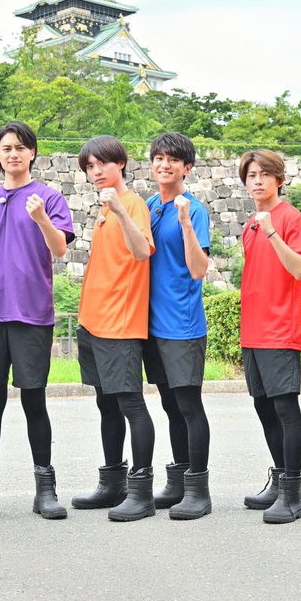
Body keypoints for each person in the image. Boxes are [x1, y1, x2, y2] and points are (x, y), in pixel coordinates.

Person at [0, 122, 74, 522]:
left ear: (32, 153)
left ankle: (45, 490)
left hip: (32, 315)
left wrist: (42, 218)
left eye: (21, 147)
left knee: (34, 401)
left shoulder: (49, 197)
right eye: (6, 147)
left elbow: (59, 249)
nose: (14, 153)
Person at [70, 135, 157, 522]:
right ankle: (112, 484)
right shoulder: (104, 208)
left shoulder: (132, 204)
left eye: (101, 163)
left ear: (120, 162)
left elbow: (141, 252)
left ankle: (141, 492)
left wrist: (121, 210)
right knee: (105, 404)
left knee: (130, 405)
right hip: (93, 321)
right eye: (89, 167)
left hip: (120, 323)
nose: (95, 171)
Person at [237, 149, 301, 524]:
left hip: (280, 329)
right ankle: (281, 479)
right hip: (253, 330)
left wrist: (271, 231)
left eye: (264, 174)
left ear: (279, 179)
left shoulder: (289, 218)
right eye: (251, 175)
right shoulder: (250, 225)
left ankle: (293, 492)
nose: (257, 181)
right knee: (263, 407)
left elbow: (299, 269)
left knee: (285, 408)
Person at [143, 133, 214, 520]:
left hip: (182, 325)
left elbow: (199, 269)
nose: (164, 165)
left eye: (172, 159)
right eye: (159, 158)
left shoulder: (195, 210)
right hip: (152, 324)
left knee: (188, 405)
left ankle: (198, 490)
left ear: (187, 168)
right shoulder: (151, 206)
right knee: (170, 406)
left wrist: (185, 222)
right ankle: (179, 481)